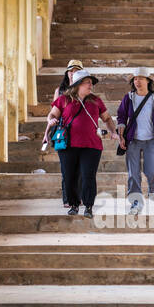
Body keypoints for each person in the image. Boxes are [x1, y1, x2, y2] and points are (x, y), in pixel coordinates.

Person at [45, 68, 116, 217]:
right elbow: (52, 113)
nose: (91, 85)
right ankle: (74, 205)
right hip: (68, 145)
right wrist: (51, 120)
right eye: (87, 82)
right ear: (78, 84)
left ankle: (88, 206)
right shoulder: (64, 99)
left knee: (88, 176)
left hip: (92, 145)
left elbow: (107, 118)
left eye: (91, 83)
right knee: (69, 175)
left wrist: (113, 131)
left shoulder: (96, 100)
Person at [115, 67, 154, 215]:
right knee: (133, 173)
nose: (137, 81)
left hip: (150, 139)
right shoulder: (129, 97)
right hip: (133, 140)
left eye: (141, 78)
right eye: (135, 79)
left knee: (152, 170)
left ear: (148, 81)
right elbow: (121, 116)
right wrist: (121, 136)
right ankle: (136, 202)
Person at [53, 59, 84, 209]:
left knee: (80, 168)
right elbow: (54, 113)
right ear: (67, 73)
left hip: (81, 134)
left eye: (77, 71)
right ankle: (67, 198)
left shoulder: (84, 90)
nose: (73, 74)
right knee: (66, 168)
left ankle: (78, 197)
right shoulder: (59, 91)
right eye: (71, 71)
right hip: (64, 134)